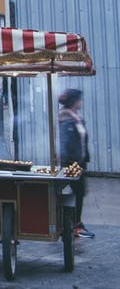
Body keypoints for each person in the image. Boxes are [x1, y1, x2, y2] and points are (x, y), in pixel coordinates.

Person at [57, 88, 94, 238]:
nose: (81, 102)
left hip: (79, 163)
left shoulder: (75, 117)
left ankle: (74, 222)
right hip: (72, 165)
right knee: (78, 192)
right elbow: (67, 143)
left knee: (79, 192)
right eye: (79, 99)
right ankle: (74, 224)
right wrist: (72, 163)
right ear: (74, 102)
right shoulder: (67, 120)